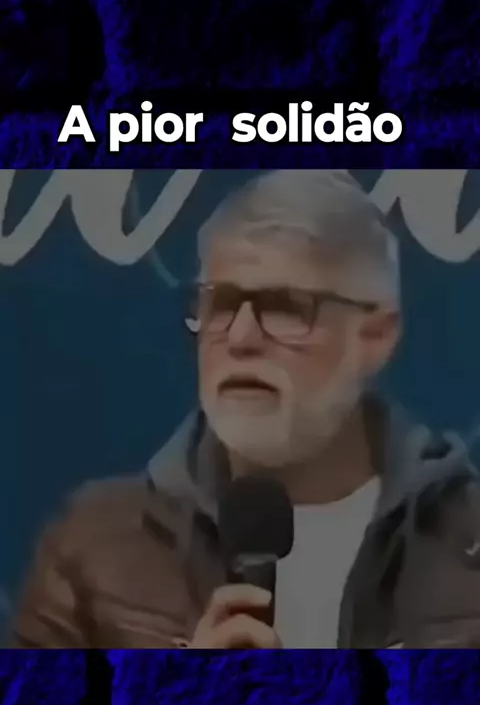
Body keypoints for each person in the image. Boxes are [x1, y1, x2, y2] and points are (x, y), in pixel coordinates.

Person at [13, 170, 480, 649]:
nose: (239, 338)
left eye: (285, 307)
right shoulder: (93, 551)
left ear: (376, 335)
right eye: (220, 304)